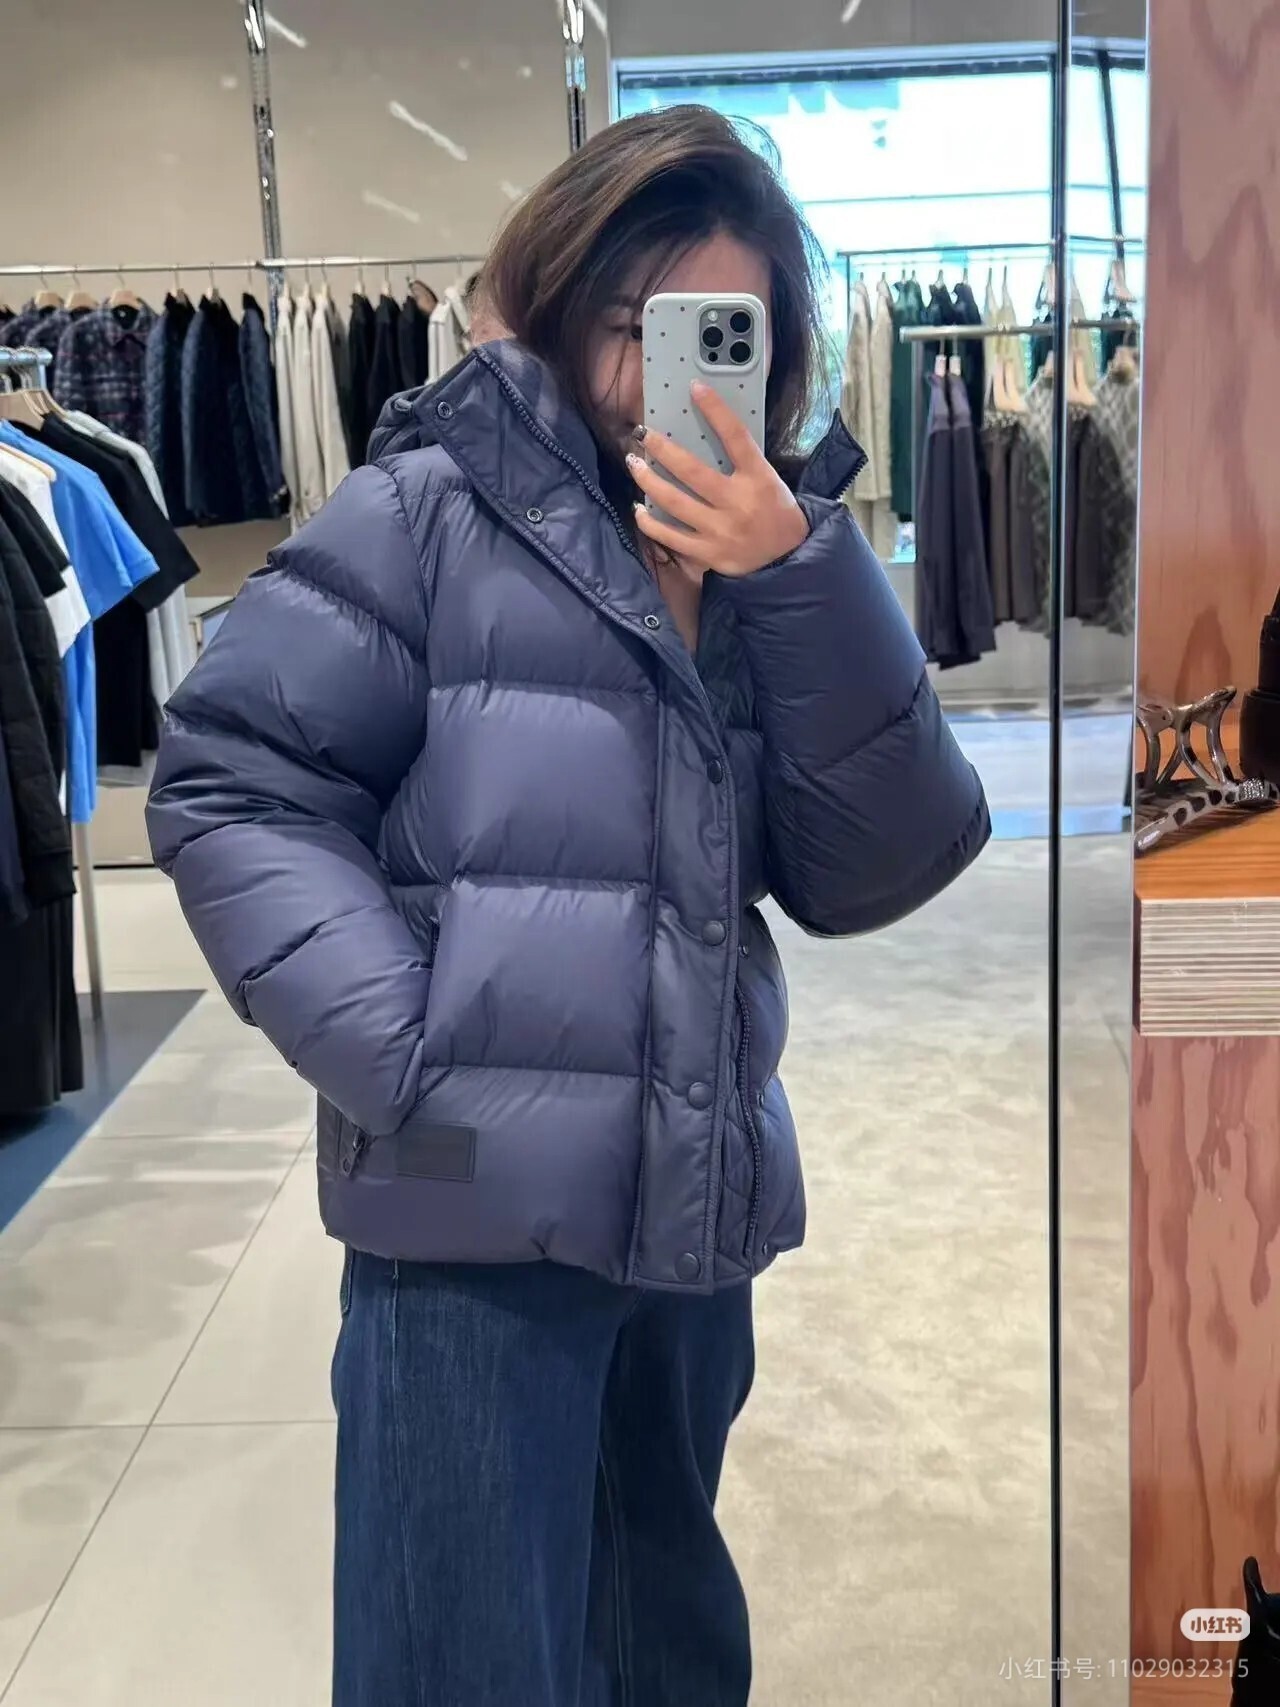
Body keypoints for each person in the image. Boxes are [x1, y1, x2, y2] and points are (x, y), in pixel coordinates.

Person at [147, 106, 989, 1707]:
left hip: (690, 1212)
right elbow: (231, 779)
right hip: (468, 1233)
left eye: (715, 331)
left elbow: (885, 859)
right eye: (627, 323)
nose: (654, 374)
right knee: (462, 1666)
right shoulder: (426, 511)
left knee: (665, 1644)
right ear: (548, 308)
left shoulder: (776, 560)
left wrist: (798, 573)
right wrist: (409, 1054)